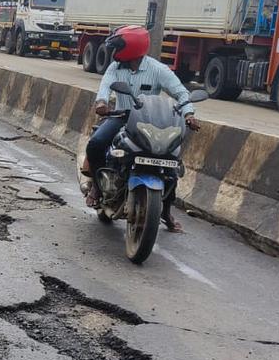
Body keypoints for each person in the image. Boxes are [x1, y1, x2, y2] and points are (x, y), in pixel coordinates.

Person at [82, 25, 200, 231]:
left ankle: (166, 212)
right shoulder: (114, 68)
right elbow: (104, 88)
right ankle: (97, 188)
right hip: (120, 117)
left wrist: (189, 113)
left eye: (118, 47)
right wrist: (101, 103)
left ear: (132, 48)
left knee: (171, 164)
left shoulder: (158, 69)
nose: (114, 52)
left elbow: (181, 94)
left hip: (150, 121)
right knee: (95, 144)